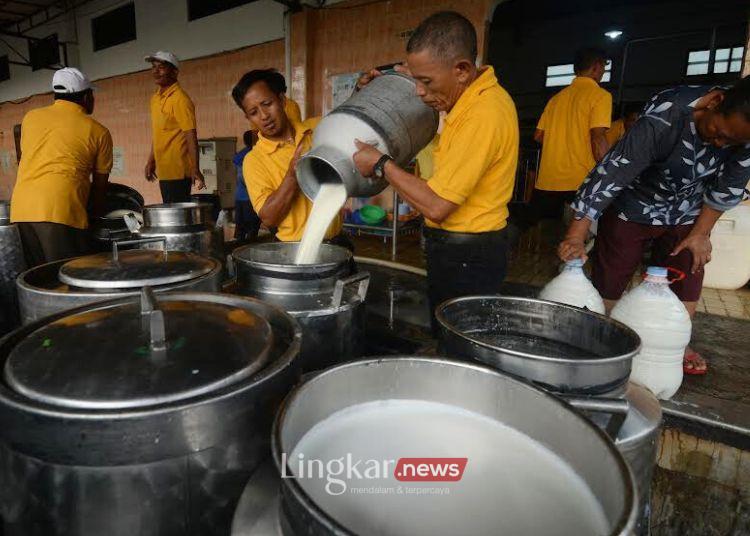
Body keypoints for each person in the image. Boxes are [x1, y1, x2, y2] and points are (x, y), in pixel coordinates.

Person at [559, 77, 750, 375]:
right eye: (719, 133)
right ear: (715, 103)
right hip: (634, 203)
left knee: (688, 266)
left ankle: (677, 341)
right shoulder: (667, 113)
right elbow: (614, 171)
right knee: (612, 271)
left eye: (731, 143)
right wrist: (577, 232)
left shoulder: (744, 136)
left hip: (689, 208)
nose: (720, 144)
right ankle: (606, 336)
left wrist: (700, 233)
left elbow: (728, 185)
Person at [352, 11, 519, 330]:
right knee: (448, 332)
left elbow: (438, 205)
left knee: (459, 341)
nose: (418, 91)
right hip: (459, 249)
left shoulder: (483, 114)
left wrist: (381, 163)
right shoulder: (468, 101)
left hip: (470, 254)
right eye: (414, 79)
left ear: (461, 70)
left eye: (426, 81)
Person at [10, 67, 113, 267]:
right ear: (85, 97)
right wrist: (94, 219)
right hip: (61, 210)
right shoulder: (99, 131)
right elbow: (100, 187)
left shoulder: (30, 118)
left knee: (38, 276)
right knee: (68, 275)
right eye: (91, 94)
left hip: (22, 210)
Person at [230, 69, 345, 245]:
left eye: (267, 103)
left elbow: (349, 124)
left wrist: (359, 93)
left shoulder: (316, 129)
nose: (264, 116)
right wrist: (292, 176)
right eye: (254, 112)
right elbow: (269, 218)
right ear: (248, 118)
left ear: (282, 100)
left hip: (337, 242)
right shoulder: (254, 160)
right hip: (295, 250)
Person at [514, 48, 612, 233]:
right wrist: (609, 171)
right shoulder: (600, 96)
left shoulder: (556, 99)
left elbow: (538, 136)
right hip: (581, 179)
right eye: (603, 68)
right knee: (587, 232)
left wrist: (560, 145)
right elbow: (598, 137)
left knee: (533, 224)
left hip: (549, 179)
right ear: (596, 67)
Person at [144, 51, 205, 203]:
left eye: (161, 67)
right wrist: (151, 160)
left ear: (175, 72)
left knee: (177, 219)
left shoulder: (180, 100)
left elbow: (191, 135)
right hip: (164, 169)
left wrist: (195, 168)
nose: (156, 71)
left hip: (178, 171)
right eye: (154, 67)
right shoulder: (155, 99)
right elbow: (159, 134)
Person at [233, 130, 261, 241]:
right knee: (252, 231)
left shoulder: (239, 155)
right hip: (250, 199)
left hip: (239, 197)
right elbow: (245, 178)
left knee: (240, 230)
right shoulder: (253, 155)